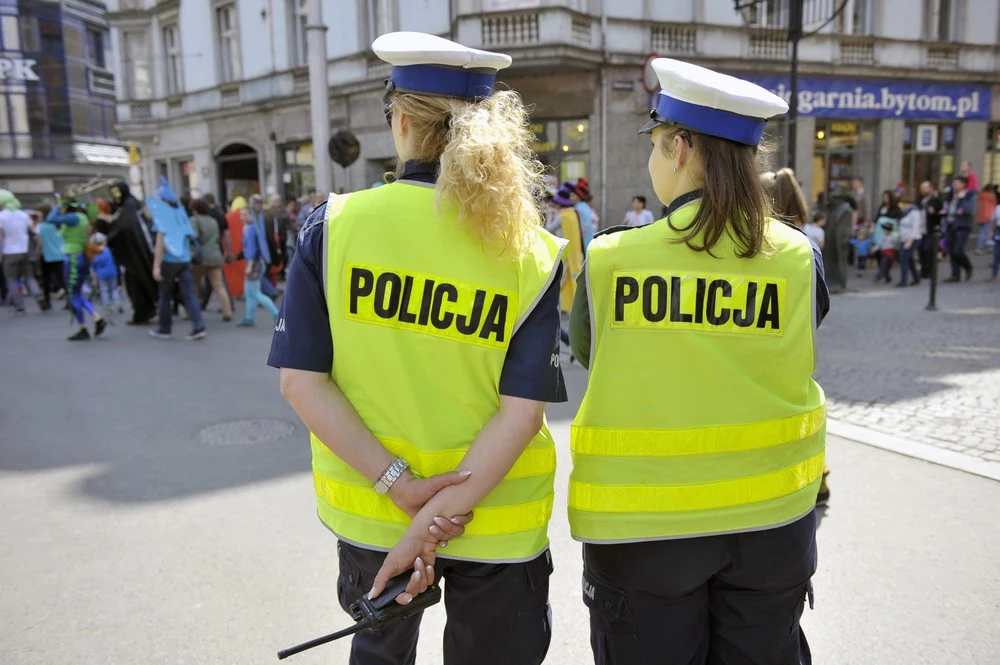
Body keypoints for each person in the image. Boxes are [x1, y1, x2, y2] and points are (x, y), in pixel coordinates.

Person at [268, 32, 567, 665]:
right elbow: (523, 411)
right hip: (496, 521)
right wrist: (439, 518)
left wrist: (401, 487)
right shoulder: (530, 250)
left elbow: (302, 382)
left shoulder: (335, 226)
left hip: (375, 515)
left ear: (400, 122)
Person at [568, 58, 829, 665]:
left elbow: (590, 351)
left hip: (643, 531)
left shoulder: (612, 259)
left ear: (681, 148)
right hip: (772, 525)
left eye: (656, 147)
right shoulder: (798, 256)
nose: (653, 161)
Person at [147, 177, 206, 340]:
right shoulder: (180, 214)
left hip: (169, 261)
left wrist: (156, 266)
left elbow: (160, 242)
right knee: (189, 294)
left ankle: (164, 329)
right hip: (185, 259)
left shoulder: (162, 215)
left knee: (165, 295)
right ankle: (198, 326)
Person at [98, 181, 158, 325]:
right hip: (133, 251)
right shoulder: (128, 205)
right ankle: (145, 310)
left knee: (137, 283)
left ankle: (143, 312)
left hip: (136, 251)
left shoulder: (130, 205)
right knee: (137, 282)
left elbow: (125, 226)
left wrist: (111, 233)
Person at [47, 200, 107, 340]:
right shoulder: (83, 218)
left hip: (73, 258)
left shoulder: (73, 217)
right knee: (77, 293)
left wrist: (58, 205)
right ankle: (96, 318)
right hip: (81, 257)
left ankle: (84, 327)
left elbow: (50, 219)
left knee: (73, 294)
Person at [0, 190, 47, 314]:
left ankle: (19, 306)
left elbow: (1, 237)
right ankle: (38, 296)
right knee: (29, 277)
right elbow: (33, 232)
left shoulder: (2, 216)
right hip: (25, 250)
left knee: (11, 279)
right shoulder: (23, 215)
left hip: (9, 251)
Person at [190, 198, 233, 321]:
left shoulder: (194, 221)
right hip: (215, 255)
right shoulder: (213, 221)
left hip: (200, 257)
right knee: (219, 285)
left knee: (195, 286)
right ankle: (227, 311)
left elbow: (194, 237)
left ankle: (192, 313)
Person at [236, 206, 279, 327]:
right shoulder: (254, 228)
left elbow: (251, 250)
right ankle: (249, 318)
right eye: (241, 215)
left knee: (254, 293)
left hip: (253, 263)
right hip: (256, 263)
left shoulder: (250, 229)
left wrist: (249, 265)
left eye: (244, 214)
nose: (242, 217)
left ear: (251, 215)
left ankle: (276, 314)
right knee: (250, 293)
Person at [552, 183, 584, 314]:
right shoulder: (572, 213)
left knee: (562, 281)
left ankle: (564, 307)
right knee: (572, 279)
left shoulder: (562, 215)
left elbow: (549, 228)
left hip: (564, 252)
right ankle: (572, 306)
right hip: (575, 252)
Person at [944, 174, 975, 282]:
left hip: (962, 226)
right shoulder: (951, 195)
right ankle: (955, 275)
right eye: (953, 183)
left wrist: (962, 200)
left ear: (963, 185)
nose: (954, 185)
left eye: (956, 184)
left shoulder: (967, 196)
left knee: (958, 250)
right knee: (951, 251)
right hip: (951, 225)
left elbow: (968, 209)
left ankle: (968, 267)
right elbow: (947, 207)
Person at [35, 203, 65, 308]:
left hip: (46, 255)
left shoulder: (41, 226)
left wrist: (37, 254)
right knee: (62, 278)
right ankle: (70, 301)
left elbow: (39, 242)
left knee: (46, 279)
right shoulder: (57, 224)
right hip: (60, 254)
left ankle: (47, 301)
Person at [89, 233, 123, 314]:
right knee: (114, 289)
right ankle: (118, 304)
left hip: (101, 274)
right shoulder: (107, 250)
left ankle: (108, 307)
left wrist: (93, 276)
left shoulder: (95, 253)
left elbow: (93, 265)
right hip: (112, 272)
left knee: (104, 290)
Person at [896, 193, 922, 287]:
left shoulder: (915, 213)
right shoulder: (904, 213)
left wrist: (910, 241)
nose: (903, 206)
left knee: (904, 259)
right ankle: (916, 277)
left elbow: (915, 228)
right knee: (910, 260)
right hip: (904, 238)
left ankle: (904, 281)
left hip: (912, 239)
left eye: (904, 204)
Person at [919, 181, 944, 279]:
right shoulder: (921, 200)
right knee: (922, 250)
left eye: (925, 188)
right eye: (922, 188)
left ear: (931, 188)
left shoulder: (936, 200)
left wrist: (934, 212)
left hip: (932, 229)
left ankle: (932, 272)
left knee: (929, 249)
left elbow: (941, 212)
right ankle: (924, 271)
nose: (922, 190)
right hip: (921, 229)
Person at [569, 179, 595, 249]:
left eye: (573, 196)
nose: (570, 198)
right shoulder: (585, 206)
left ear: (578, 197)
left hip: (582, 242)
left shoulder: (578, 209)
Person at [974, 183, 996, 255]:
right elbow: (994, 205)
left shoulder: (981, 195)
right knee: (987, 232)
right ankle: (980, 247)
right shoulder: (991, 196)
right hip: (989, 216)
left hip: (981, 216)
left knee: (984, 232)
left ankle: (988, 246)